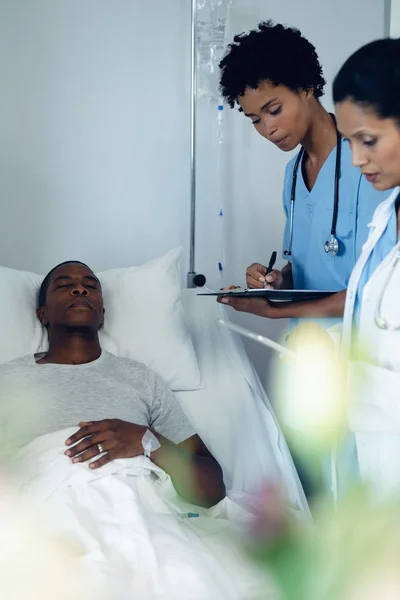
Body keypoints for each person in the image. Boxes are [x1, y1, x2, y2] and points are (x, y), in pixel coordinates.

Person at [0, 260, 225, 508]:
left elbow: (213, 490)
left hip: (131, 513)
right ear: (42, 314)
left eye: (90, 286)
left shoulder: (141, 379)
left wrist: (147, 440)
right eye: (64, 285)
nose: (80, 290)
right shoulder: (8, 379)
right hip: (39, 512)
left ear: (102, 316)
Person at [217, 20, 390, 329]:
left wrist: (274, 311)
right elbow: (307, 265)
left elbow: (380, 284)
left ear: (306, 87)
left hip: (359, 344)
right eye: (254, 119)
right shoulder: (293, 176)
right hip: (308, 349)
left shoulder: (373, 166)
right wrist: (275, 282)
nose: (267, 129)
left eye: (273, 110)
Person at [333, 38, 400, 498]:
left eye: (368, 140)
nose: (357, 159)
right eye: (350, 143)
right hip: (376, 454)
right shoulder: (385, 217)